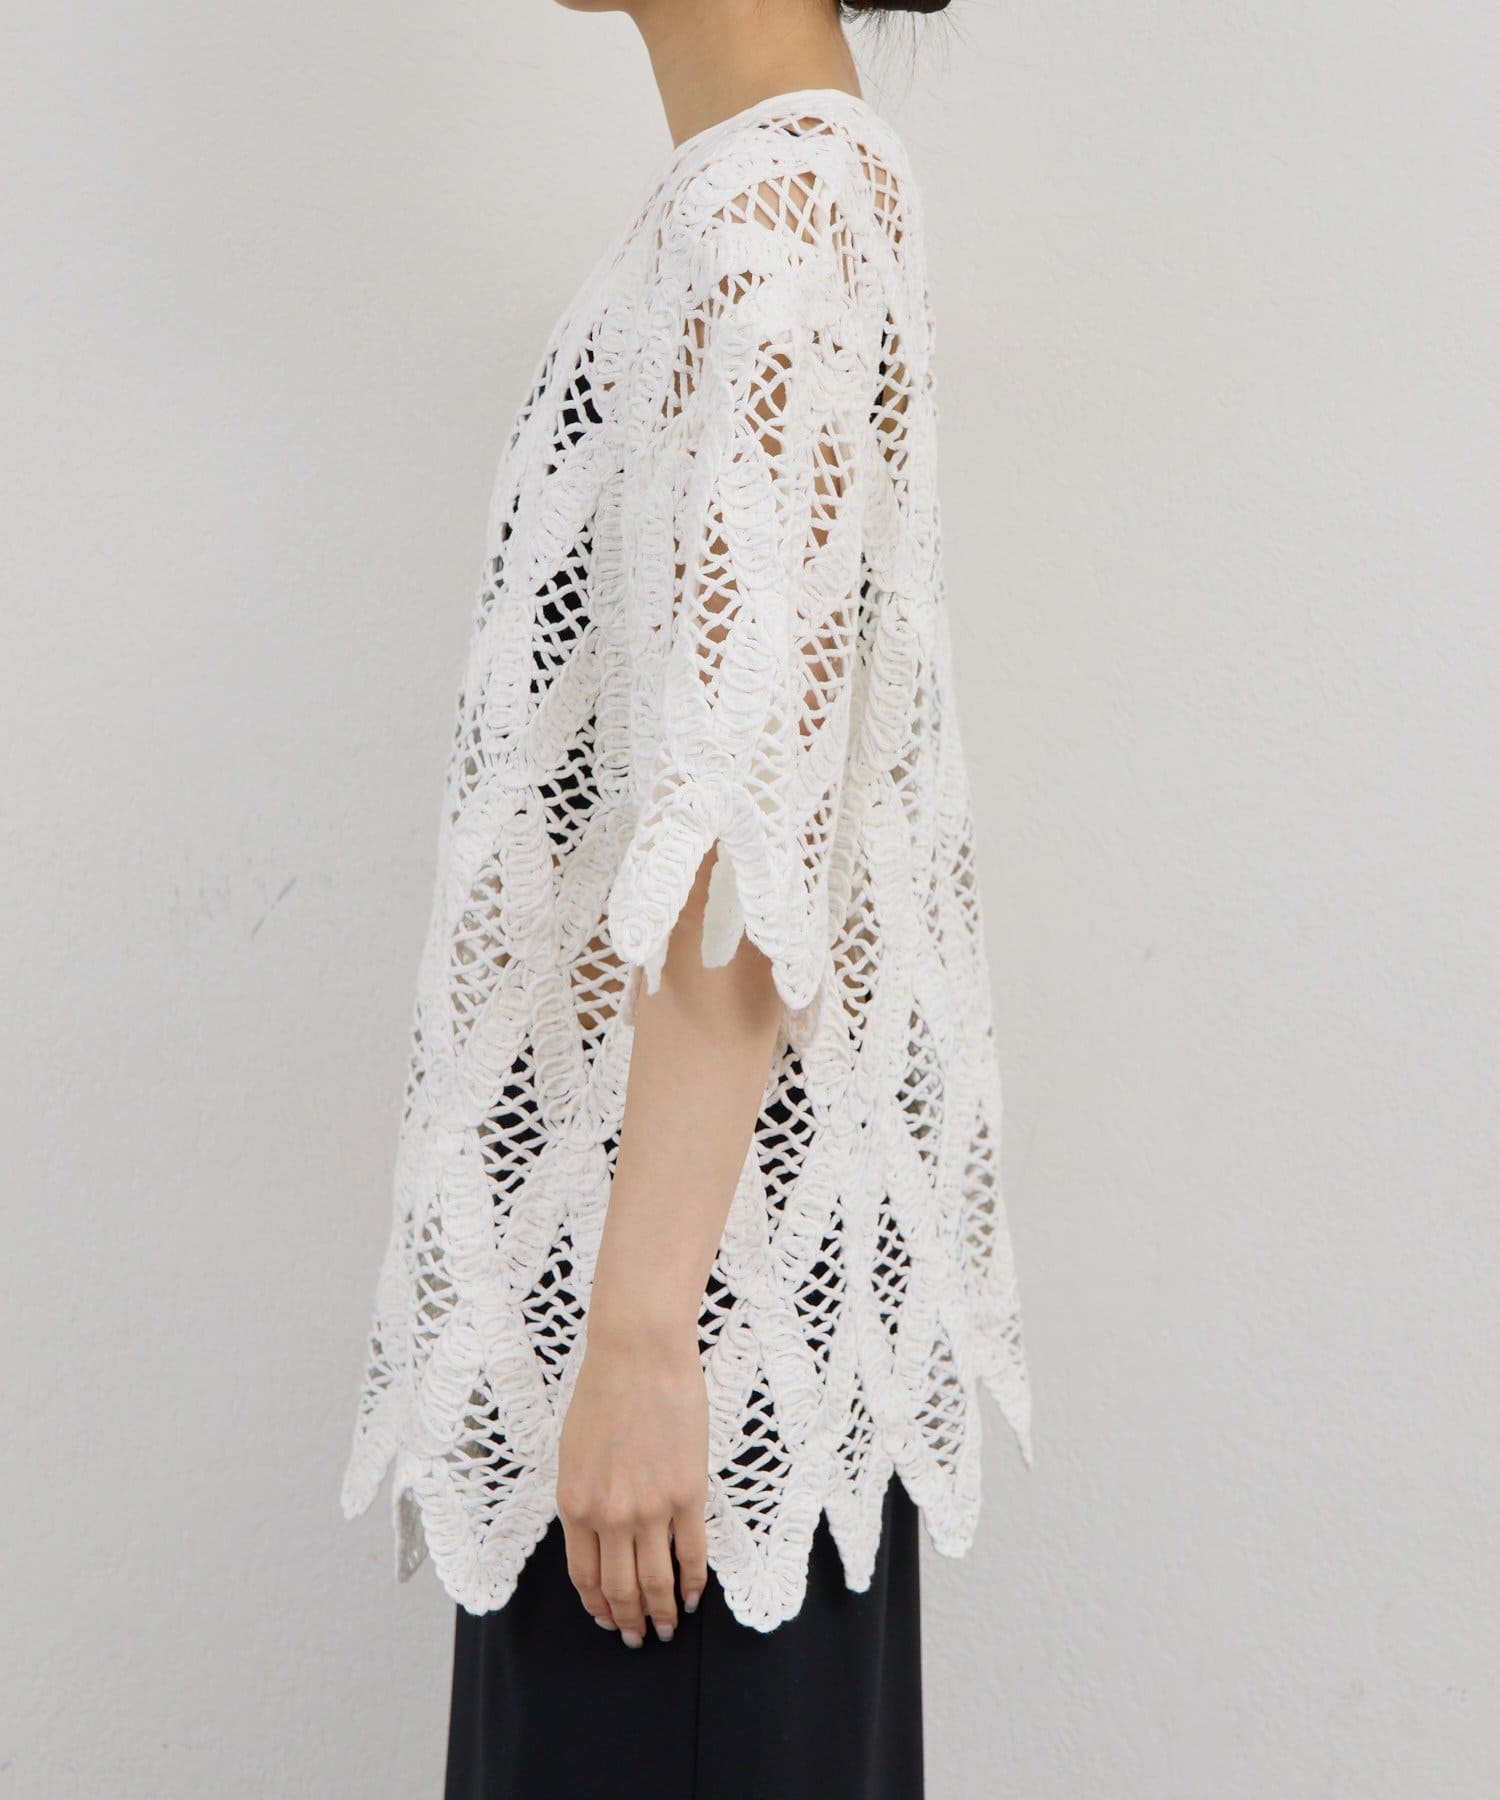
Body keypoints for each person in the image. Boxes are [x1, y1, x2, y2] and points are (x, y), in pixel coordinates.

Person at [341, 1, 1031, 1792]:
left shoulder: (769, 224)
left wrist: (643, 1338)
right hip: (701, 1311)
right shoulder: (776, 195)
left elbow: (741, 847)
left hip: (687, 1357)